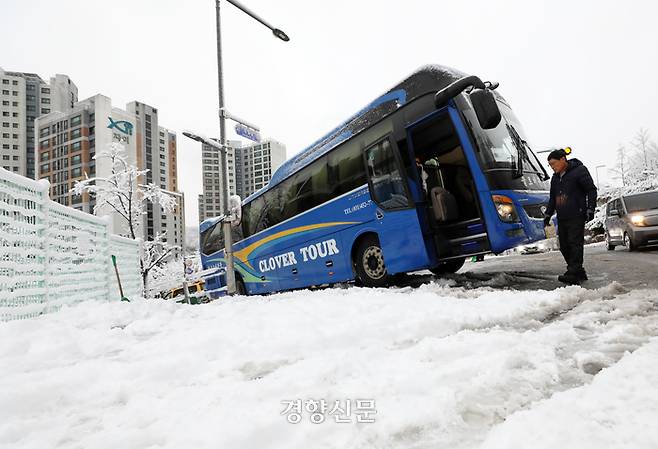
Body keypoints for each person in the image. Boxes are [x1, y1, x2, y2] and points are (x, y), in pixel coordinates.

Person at [543, 148, 597, 284]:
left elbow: (591, 190)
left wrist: (591, 208)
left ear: (563, 159)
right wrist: (548, 214)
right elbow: (552, 199)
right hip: (562, 216)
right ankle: (578, 271)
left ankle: (573, 272)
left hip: (576, 214)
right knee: (564, 246)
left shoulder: (579, 171)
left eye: (554, 164)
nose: (552, 167)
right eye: (550, 165)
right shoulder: (555, 178)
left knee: (575, 243)